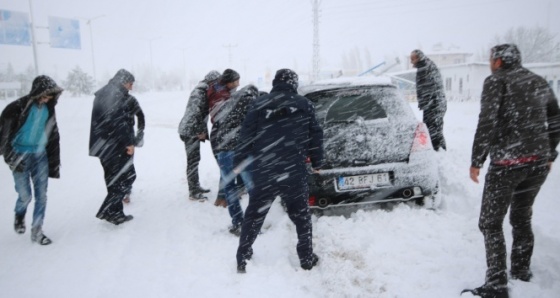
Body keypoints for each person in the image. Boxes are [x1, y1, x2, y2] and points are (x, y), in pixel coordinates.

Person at [463, 44, 560, 298]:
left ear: (497, 61)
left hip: (507, 164)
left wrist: (477, 160)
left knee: (490, 223)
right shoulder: (537, 80)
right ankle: (520, 269)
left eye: (490, 59)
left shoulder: (497, 81)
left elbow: (487, 121)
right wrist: (549, 152)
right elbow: (556, 118)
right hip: (537, 165)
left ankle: (496, 284)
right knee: (521, 216)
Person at [233, 69, 324, 273]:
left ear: (275, 83)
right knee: (302, 217)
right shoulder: (304, 104)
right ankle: (306, 257)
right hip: (294, 170)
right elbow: (315, 136)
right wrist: (317, 162)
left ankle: (243, 257)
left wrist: (239, 164)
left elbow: (246, 136)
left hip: (264, 171)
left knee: (254, 216)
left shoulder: (258, 105)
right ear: (294, 83)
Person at [0, 75, 63, 245]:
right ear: (36, 92)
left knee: (41, 196)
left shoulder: (49, 109)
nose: (48, 98)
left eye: (51, 95)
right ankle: (20, 214)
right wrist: (12, 159)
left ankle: (37, 231)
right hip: (19, 156)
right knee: (25, 196)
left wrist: (54, 162)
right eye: (46, 94)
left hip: (39, 156)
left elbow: (53, 135)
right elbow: (3, 137)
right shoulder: (16, 108)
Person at [89, 69, 138, 225]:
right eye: (130, 84)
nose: (131, 87)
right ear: (124, 82)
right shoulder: (114, 95)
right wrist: (128, 143)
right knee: (127, 176)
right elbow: (119, 122)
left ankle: (115, 213)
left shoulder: (105, 93)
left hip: (104, 145)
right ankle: (108, 210)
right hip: (113, 146)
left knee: (113, 180)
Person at [211, 84, 259, 236]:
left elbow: (216, 128)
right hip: (241, 153)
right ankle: (253, 225)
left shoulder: (228, 104)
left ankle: (238, 222)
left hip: (223, 151)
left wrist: (219, 153)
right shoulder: (252, 105)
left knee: (230, 188)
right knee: (252, 188)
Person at [178, 71, 220, 202]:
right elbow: (194, 115)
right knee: (193, 161)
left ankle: (196, 187)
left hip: (192, 130)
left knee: (195, 160)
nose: (218, 86)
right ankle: (193, 191)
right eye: (217, 83)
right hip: (189, 132)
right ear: (211, 82)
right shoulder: (199, 93)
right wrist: (199, 131)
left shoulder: (203, 91)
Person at [207, 69, 241, 207]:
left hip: (220, 132)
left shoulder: (218, 90)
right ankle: (223, 198)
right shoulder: (221, 95)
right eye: (236, 81)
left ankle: (223, 197)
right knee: (227, 165)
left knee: (226, 165)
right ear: (229, 82)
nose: (238, 84)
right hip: (222, 133)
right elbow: (224, 115)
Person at [410, 49, 447, 151]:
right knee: (435, 129)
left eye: (412, 59)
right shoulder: (427, 65)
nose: (411, 62)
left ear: (418, 58)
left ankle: (437, 151)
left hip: (433, 104)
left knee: (432, 130)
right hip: (436, 103)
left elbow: (427, 88)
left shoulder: (424, 67)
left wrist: (426, 103)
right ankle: (439, 150)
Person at [123, 95, 145, 204]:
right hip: (121, 136)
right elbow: (140, 116)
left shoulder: (130, 99)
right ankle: (123, 191)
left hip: (125, 136)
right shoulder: (129, 98)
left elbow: (140, 115)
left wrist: (140, 134)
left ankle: (125, 191)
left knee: (126, 164)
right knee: (126, 164)